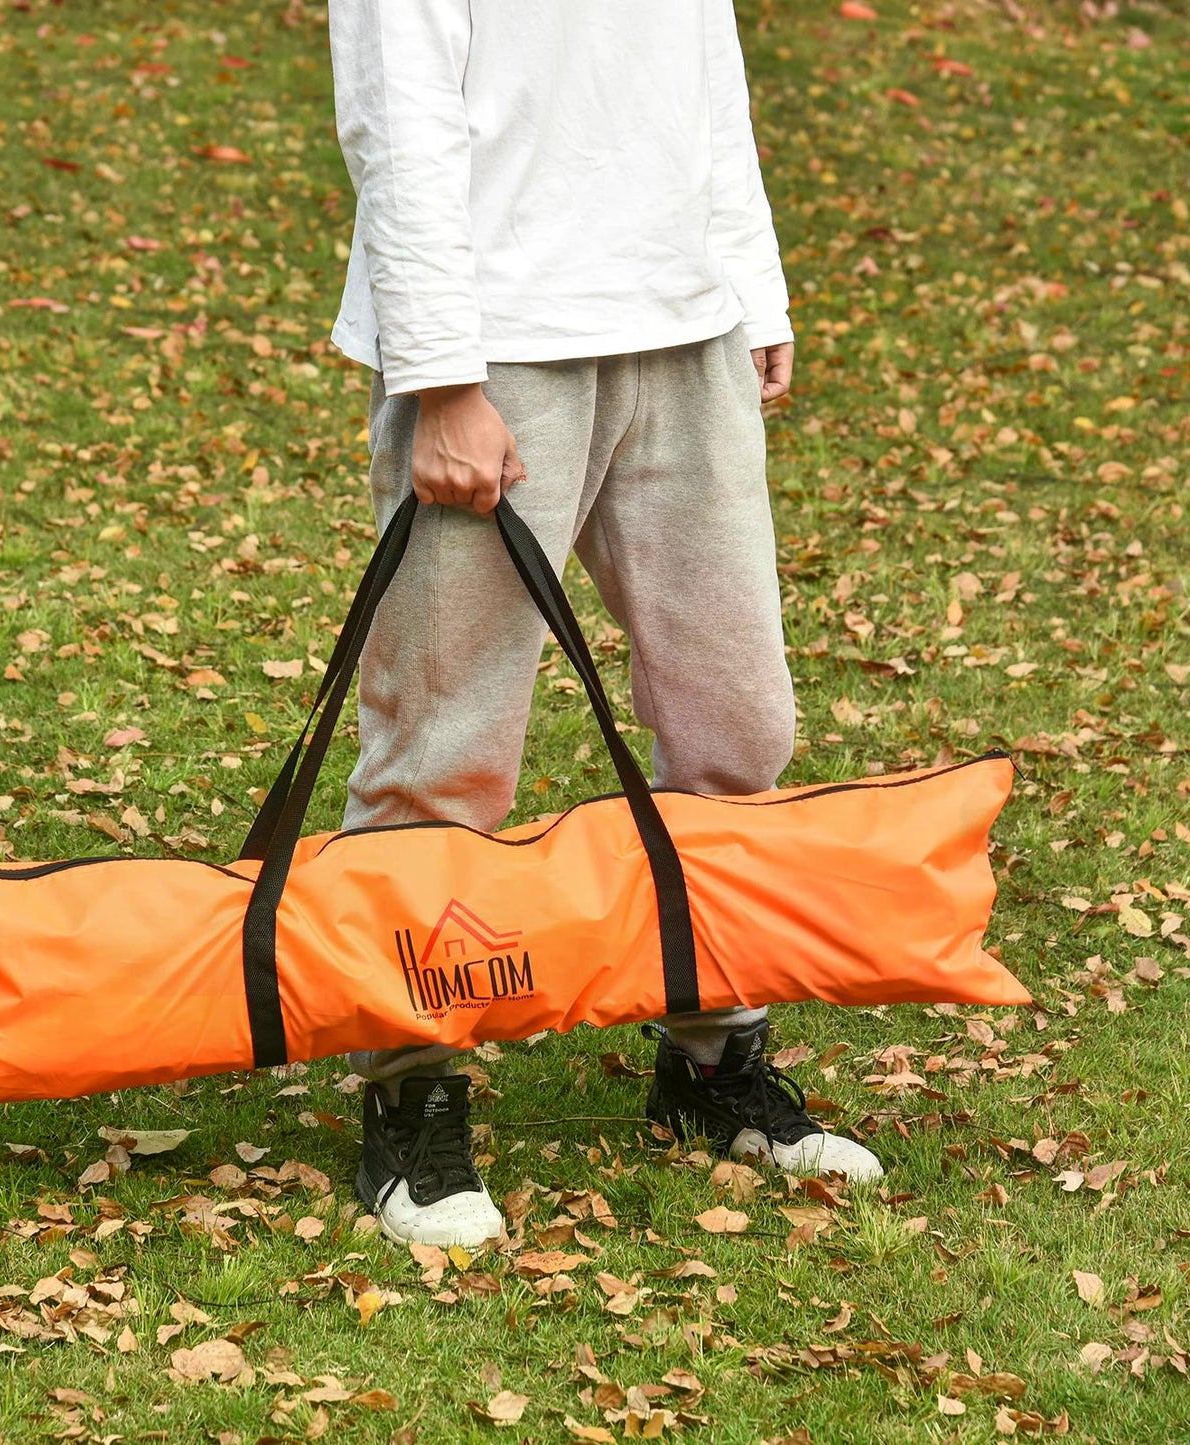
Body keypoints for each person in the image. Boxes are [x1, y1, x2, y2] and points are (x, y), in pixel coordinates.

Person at [326, 0, 883, 1250]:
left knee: (737, 724)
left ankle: (710, 1057)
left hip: (684, 327)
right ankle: (409, 1095)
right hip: (500, 346)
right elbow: (395, 119)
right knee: (444, 746)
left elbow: (701, 71)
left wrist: (750, 284)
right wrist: (441, 377)